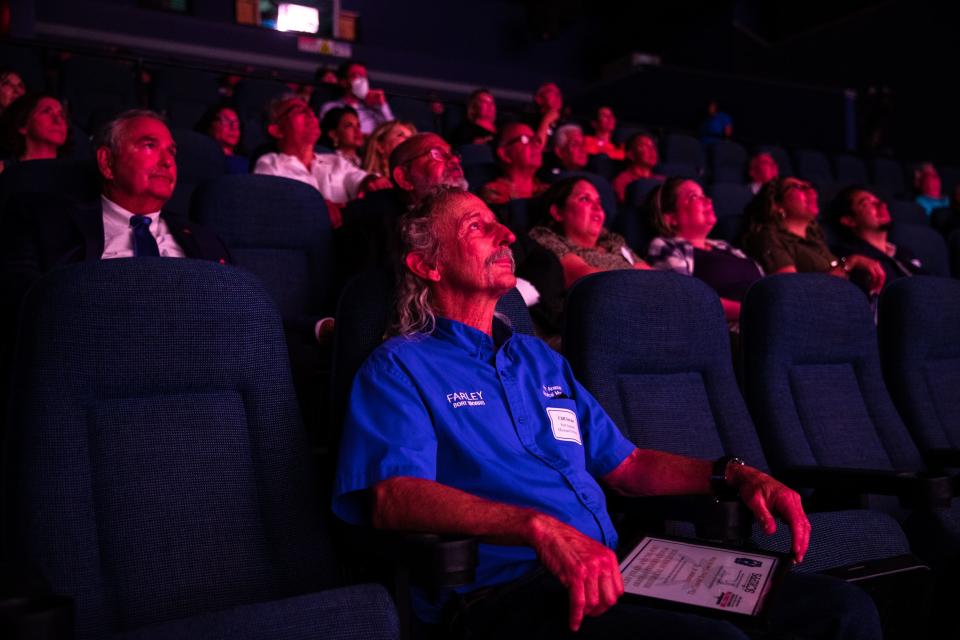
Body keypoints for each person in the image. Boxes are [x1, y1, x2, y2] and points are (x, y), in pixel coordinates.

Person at [332, 186, 883, 639]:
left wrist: (734, 474)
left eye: (500, 224)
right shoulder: (399, 368)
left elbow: (628, 465)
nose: (505, 234)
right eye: (477, 227)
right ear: (426, 265)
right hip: (505, 592)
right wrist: (536, 528)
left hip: (616, 567)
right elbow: (392, 496)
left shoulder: (537, 358)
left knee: (842, 611)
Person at [9, 109, 230, 273]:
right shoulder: (47, 226)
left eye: (171, 152)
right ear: (107, 162)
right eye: (149, 146)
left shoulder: (206, 240)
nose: (168, 162)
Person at [254, 94, 391, 224]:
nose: (310, 114)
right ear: (277, 130)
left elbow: (356, 177)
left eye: (310, 109)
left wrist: (370, 181)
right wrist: (315, 207)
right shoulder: (270, 164)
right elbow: (269, 204)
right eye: (299, 110)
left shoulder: (335, 161)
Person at [646, 178, 763, 327]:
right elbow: (685, 299)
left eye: (704, 195)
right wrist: (753, 311)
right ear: (671, 218)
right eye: (694, 197)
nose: (708, 200)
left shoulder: (723, 245)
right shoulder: (665, 246)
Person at [742, 177, 886, 294]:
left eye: (809, 186)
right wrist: (849, 263)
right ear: (776, 205)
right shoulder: (769, 237)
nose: (810, 191)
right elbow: (791, 291)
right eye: (798, 187)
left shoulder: (815, 239)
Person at [529, 177, 648, 289]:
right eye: (585, 199)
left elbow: (651, 274)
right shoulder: (545, 237)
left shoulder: (613, 240)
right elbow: (588, 278)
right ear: (557, 212)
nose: (598, 208)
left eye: (599, 202)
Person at [830, 185, 925, 286]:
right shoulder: (850, 256)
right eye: (866, 203)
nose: (881, 205)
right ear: (849, 221)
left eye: (878, 200)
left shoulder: (904, 252)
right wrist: (851, 262)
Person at [478, 122, 548, 206]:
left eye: (535, 140)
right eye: (525, 139)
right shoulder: (492, 194)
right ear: (504, 154)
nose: (536, 145)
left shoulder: (550, 192)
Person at [319, 61, 393, 135]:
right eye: (357, 76)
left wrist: (382, 105)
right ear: (343, 82)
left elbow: (392, 132)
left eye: (364, 76)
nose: (363, 81)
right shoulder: (330, 107)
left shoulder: (373, 111)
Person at [0, 93, 69, 165]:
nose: (58, 120)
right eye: (46, 112)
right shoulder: (4, 171)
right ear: (23, 125)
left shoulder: (74, 173)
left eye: (61, 115)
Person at [195, 104, 248, 174]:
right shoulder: (200, 160)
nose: (233, 128)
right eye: (226, 122)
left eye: (237, 124)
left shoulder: (246, 163)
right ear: (210, 125)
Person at [611, 132, 662, 204]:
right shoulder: (622, 182)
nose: (652, 150)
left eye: (653, 146)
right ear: (630, 155)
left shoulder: (661, 180)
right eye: (644, 146)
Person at [527, 81, 565, 149]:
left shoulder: (564, 122)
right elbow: (536, 148)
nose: (558, 96)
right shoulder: (530, 121)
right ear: (539, 98)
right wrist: (546, 121)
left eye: (559, 93)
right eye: (552, 92)